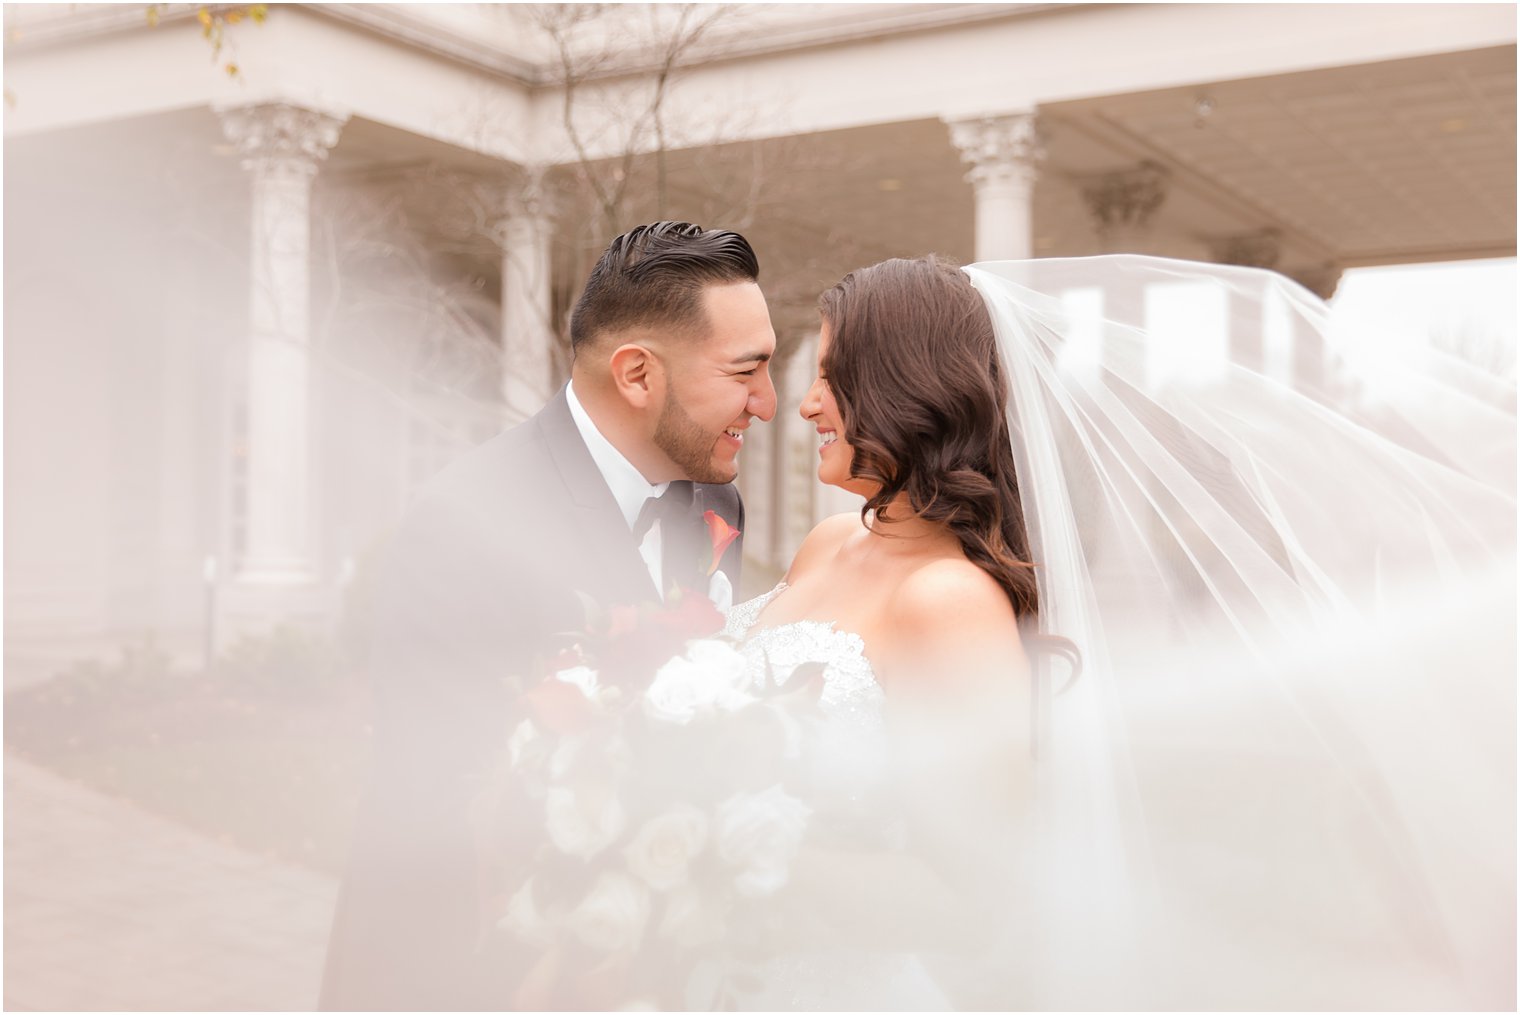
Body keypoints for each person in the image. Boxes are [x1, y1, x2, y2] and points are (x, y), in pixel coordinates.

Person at [713, 253, 1513, 1009]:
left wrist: (721, 851)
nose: (806, 401)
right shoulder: (827, 544)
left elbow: (979, 898)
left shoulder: (947, 600)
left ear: (902, 389)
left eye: (830, 376)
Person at [319, 221, 778, 1010]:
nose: (767, 404)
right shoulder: (468, 522)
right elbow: (431, 797)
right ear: (637, 374)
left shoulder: (716, 501)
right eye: (746, 372)